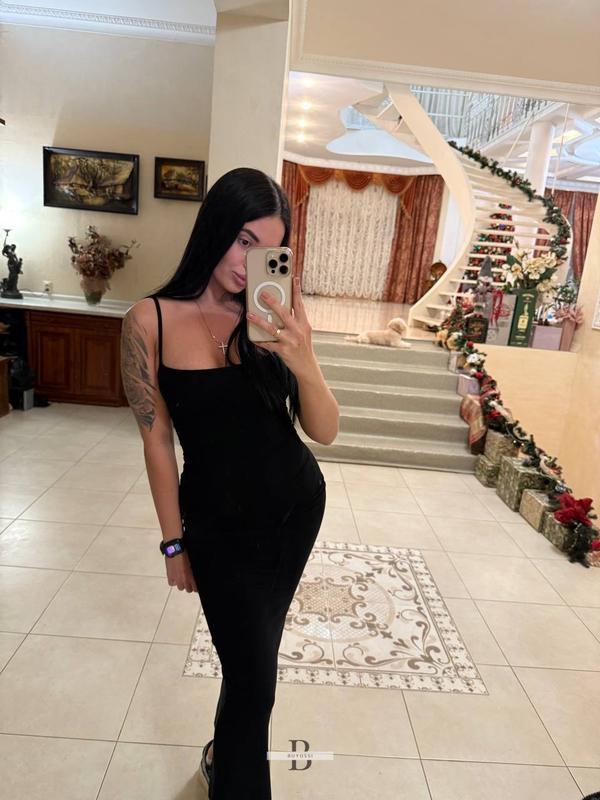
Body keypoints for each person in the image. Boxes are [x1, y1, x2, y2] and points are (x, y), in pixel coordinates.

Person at [120, 167, 339, 800]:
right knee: (254, 678)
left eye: (268, 248)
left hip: (294, 511)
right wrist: (173, 543)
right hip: (217, 528)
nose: (249, 263)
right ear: (214, 227)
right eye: (243, 240)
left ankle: (223, 757)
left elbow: (324, 430)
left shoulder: (275, 315)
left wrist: (304, 358)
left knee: (252, 662)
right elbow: (157, 441)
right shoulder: (149, 322)